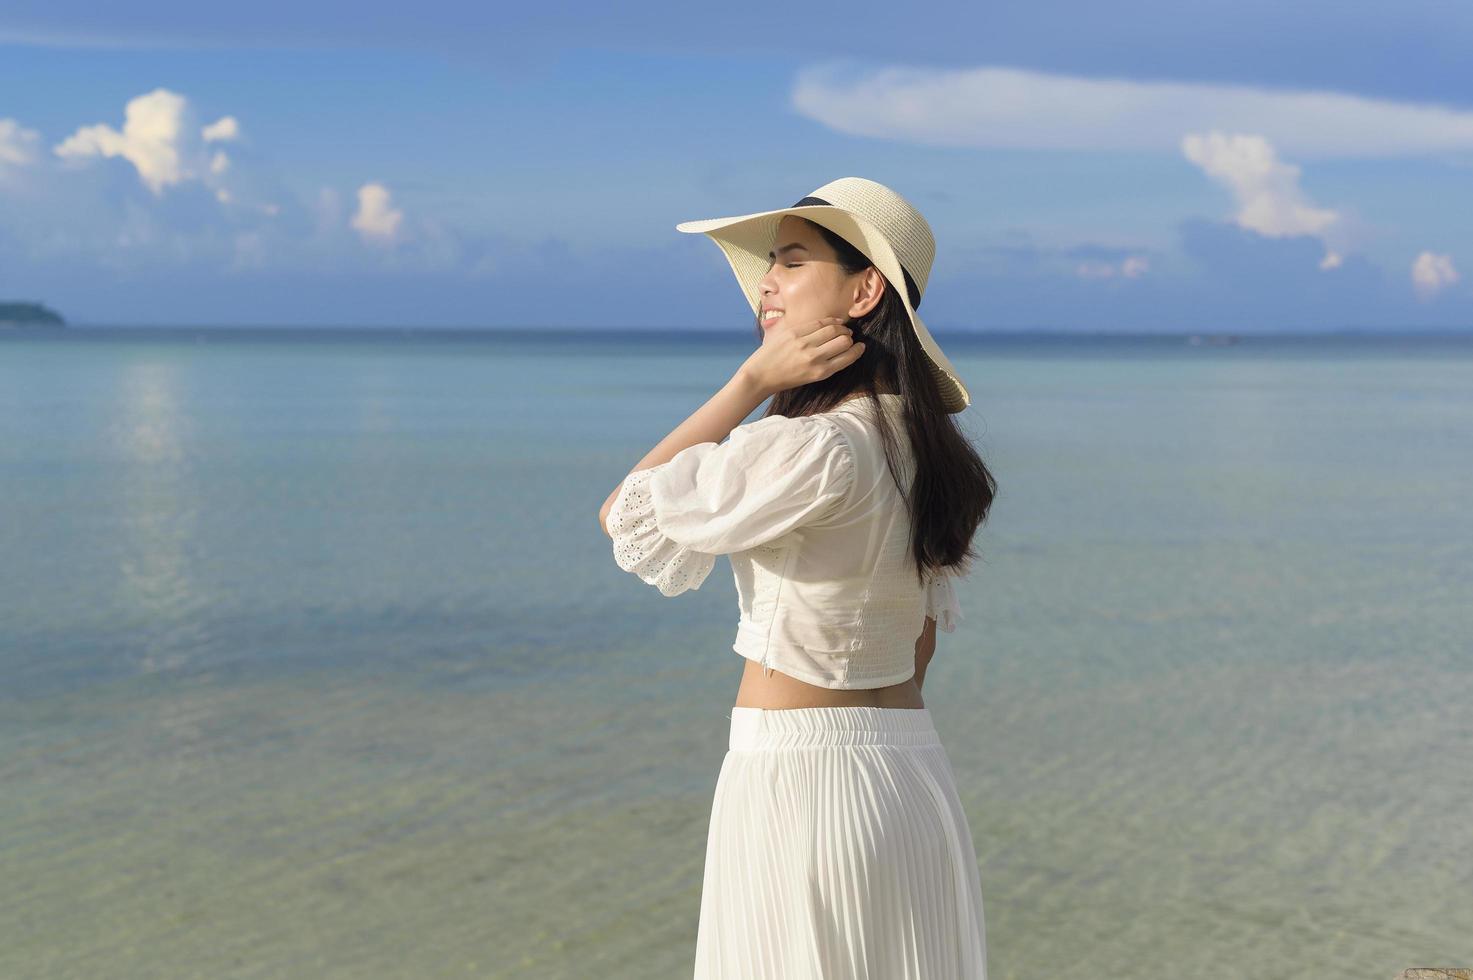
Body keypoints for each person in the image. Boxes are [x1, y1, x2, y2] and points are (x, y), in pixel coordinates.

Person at [598, 177, 998, 978]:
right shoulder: (922, 450)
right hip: (908, 773)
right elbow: (915, 652)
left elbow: (626, 512)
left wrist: (748, 385)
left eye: (790, 259)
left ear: (864, 290)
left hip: (800, 775)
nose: (766, 285)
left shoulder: (814, 445)